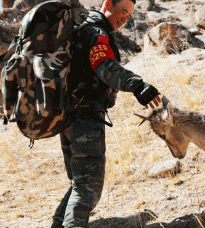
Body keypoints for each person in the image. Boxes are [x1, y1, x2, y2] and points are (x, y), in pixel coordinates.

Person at [51, 0, 162, 227]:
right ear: (108, 4)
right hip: (84, 117)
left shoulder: (81, 28)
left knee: (79, 183)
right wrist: (137, 85)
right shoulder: (96, 31)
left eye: (130, 15)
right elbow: (103, 65)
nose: (125, 19)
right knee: (87, 188)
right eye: (123, 11)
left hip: (68, 116)